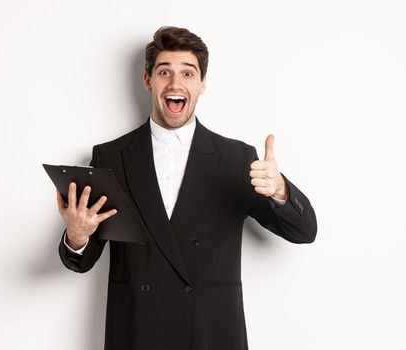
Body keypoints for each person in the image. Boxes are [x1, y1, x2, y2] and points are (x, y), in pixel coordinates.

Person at [55, 26, 318, 350]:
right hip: (137, 333)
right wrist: (77, 237)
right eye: (165, 71)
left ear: (202, 83)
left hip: (211, 335)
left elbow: (304, 231)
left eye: (187, 73)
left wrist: (280, 190)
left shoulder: (236, 158)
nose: (175, 83)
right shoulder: (110, 157)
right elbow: (81, 258)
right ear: (148, 80)